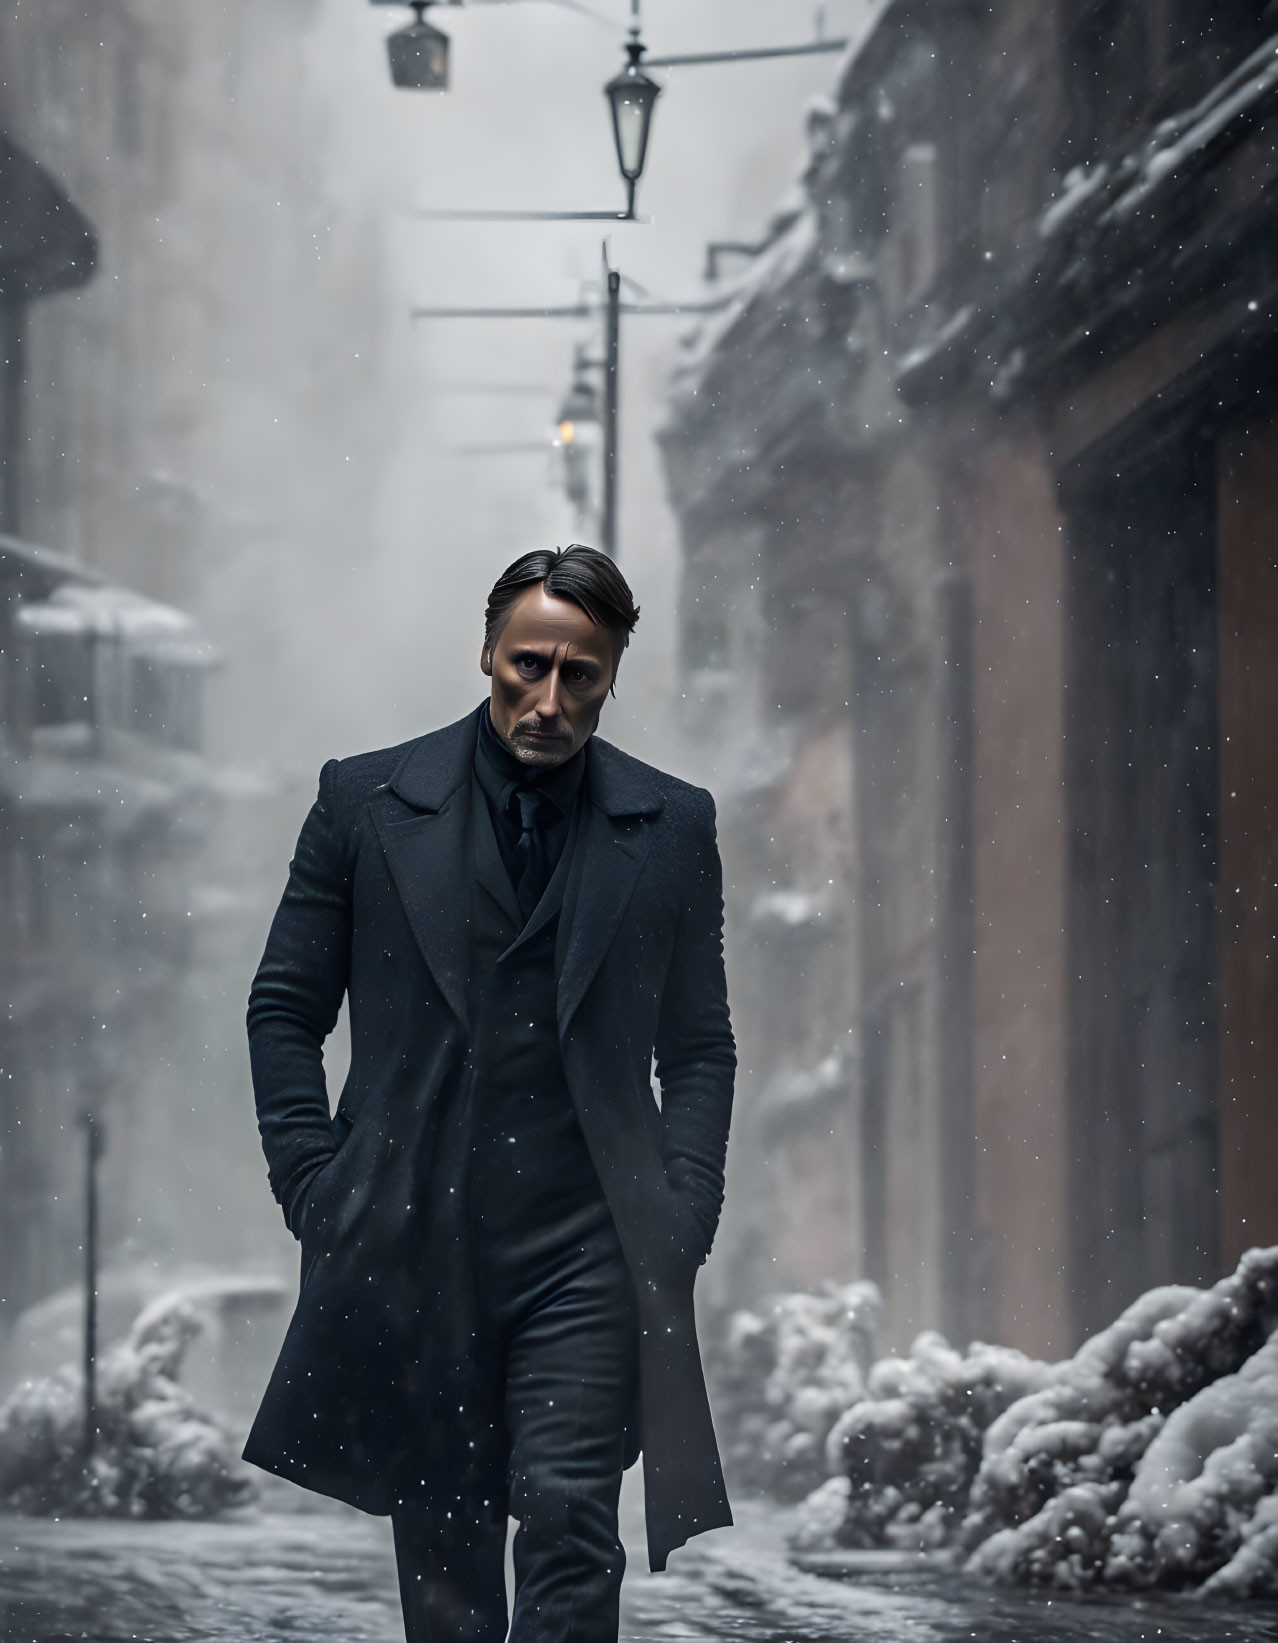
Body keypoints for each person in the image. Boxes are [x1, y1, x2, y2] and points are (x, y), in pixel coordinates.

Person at [243, 544, 735, 1643]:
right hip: (417, 1233)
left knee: (570, 1516)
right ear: (486, 653)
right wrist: (313, 1188)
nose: (550, 699)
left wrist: (685, 1208)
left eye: (581, 675)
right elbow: (284, 1007)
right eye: (528, 665)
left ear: (612, 676)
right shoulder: (365, 802)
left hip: (591, 1242)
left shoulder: (673, 825)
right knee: (449, 1556)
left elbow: (698, 1045)